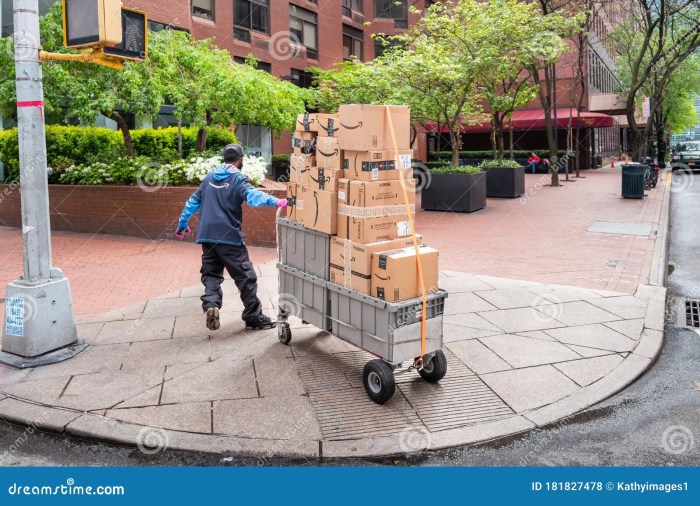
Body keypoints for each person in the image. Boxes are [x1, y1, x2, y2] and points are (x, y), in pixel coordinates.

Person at [176, 144, 288, 331]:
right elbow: (253, 196)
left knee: (211, 274)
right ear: (240, 159)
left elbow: (192, 203)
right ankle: (253, 316)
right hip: (229, 238)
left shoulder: (209, 177)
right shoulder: (238, 179)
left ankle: (211, 305)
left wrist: (182, 225)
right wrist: (276, 201)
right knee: (246, 277)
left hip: (207, 237)